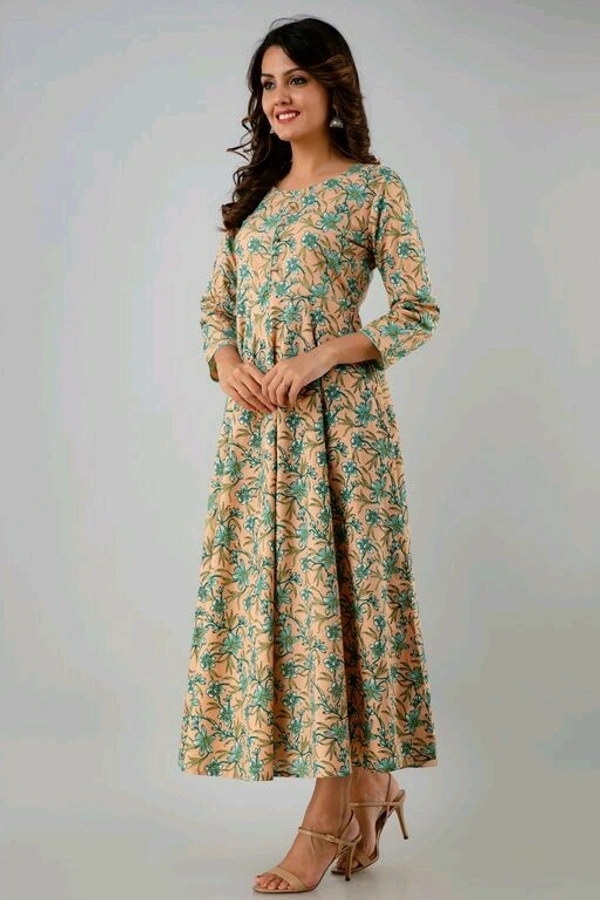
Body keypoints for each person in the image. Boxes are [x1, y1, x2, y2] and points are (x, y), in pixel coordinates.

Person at [177, 15, 441, 895]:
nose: (280, 97)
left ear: (334, 87)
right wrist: (227, 363)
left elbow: (416, 311)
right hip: (259, 439)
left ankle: (326, 819)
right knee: (294, 614)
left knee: (341, 616)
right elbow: (215, 307)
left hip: (343, 437)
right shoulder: (256, 197)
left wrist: (326, 352)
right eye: (267, 83)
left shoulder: (374, 188)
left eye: (296, 79)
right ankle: (370, 786)